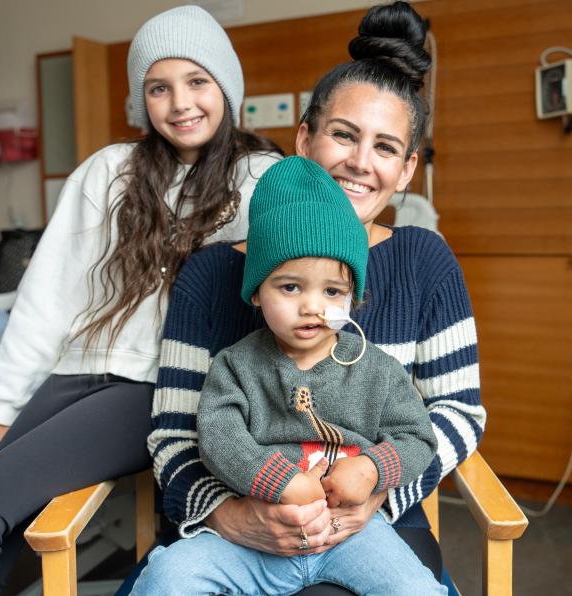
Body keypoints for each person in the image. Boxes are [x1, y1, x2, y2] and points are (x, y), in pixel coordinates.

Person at [0, 6, 281, 594]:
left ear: (227, 87)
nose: (180, 103)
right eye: (159, 88)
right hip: (73, 374)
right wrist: (1, 404)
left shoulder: (263, 180)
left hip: (156, 388)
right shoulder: (107, 172)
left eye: (198, 81)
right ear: (142, 100)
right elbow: (47, 294)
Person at [145, 2, 484, 593]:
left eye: (385, 149)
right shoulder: (209, 275)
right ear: (305, 139)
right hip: (231, 531)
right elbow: (176, 433)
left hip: (373, 524)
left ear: (406, 171)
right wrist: (236, 516)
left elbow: (455, 413)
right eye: (343, 135)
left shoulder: (425, 261)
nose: (358, 163)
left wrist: (375, 491)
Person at [133, 156, 444, 594]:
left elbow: (418, 437)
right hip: (249, 541)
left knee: (418, 590)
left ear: (353, 296)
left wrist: (372, 471)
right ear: (257, 292)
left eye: (332, 291)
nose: (313, 306)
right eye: (290, 287)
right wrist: (282, 482)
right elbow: (218, 437)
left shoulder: (375, 369)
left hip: (352, 538)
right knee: (167, 577)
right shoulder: (235, 366)